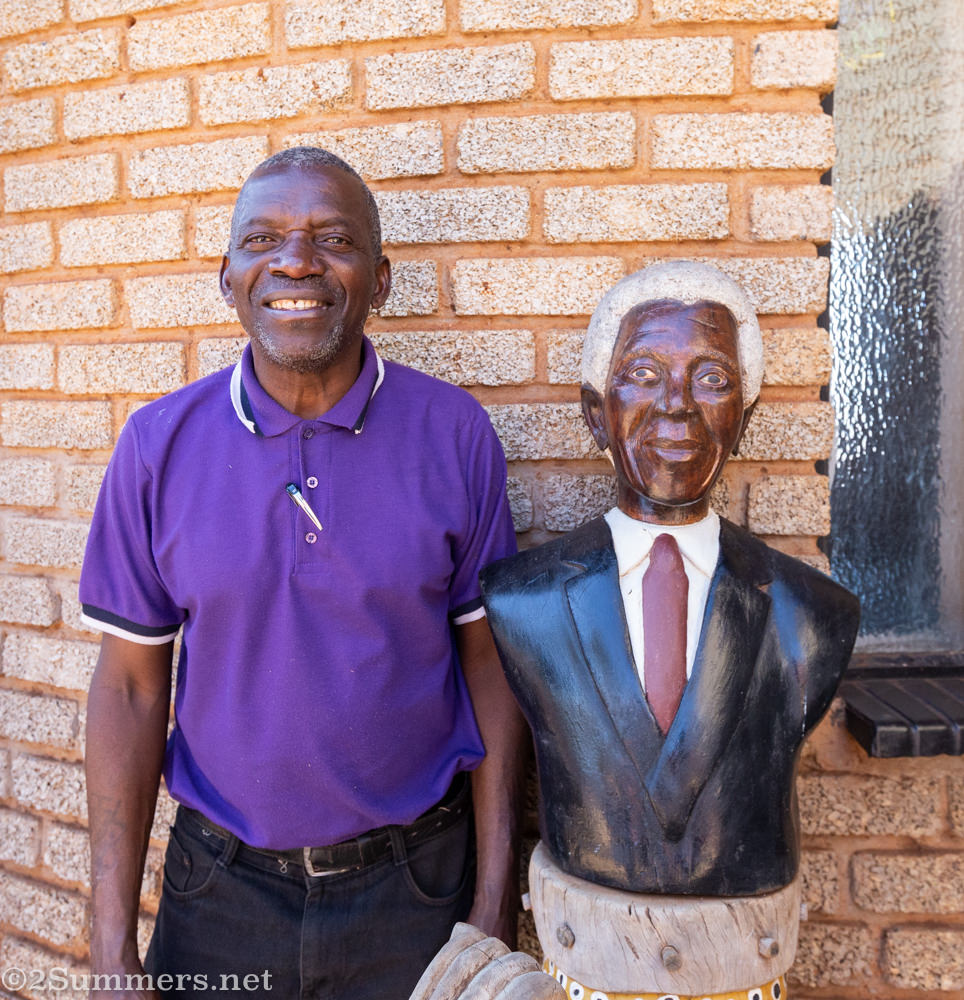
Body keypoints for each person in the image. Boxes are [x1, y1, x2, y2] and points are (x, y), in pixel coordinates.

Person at [80, 147, 527, 1000]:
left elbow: (493, 672)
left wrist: (494, 903)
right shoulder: (156, 447)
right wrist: (109, 942)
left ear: (380, 280)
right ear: (227, 278)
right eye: (263, 239)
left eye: (333, 239)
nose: (295, 261)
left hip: (415, 893)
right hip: (219, 897)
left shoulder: (455, 434)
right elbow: (130, 689)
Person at [479, 262, 859, 1000]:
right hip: (587, 955)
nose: (677, 406)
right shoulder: (523, 599)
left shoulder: (811, 611)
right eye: (644, 375)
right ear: (596, 411)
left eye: (711, 378)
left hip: (743, 961)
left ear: (745, 415)